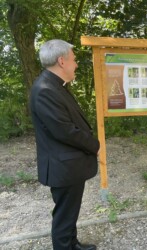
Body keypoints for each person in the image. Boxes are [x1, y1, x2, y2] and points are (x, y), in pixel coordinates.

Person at [30, 39, 100, 250]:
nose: (76, 64)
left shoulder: (54, 85)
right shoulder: (45, 89)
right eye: (74, 59)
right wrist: (95, 145)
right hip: (63, 165)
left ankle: (72, 244)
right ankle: (64, 246)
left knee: (70, 211)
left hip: (69, 164)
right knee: (64, 215)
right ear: (62, 61)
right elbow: (65, 131)